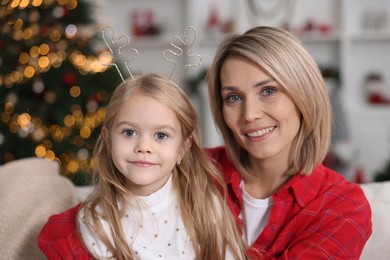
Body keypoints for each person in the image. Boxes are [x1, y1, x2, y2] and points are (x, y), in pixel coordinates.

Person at [38, 73, 248, 259]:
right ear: (108, 139)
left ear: (182, 149)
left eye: (161, 135)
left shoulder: (206, 205)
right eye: (129, 132)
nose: (144, 147)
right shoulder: (96, 221)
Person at [206, 26, 372, 259]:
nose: (249, 114)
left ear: (304, 95)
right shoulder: (196, 169)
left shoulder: (343, 206)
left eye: (268, 90)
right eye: (233, 97)